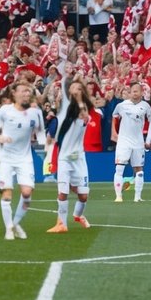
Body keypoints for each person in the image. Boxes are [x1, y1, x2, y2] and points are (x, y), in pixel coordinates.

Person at [0, 83, 46, 241]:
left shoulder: (35, 113)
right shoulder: (5, 111)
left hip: (24, 158)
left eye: (29, 91)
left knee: (27, 194)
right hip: (4, 158)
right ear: (14, 94)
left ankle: (15, 223)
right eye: (23, 91)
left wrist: (48, 144)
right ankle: (8, 229)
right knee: (7, 194)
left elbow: (40, 134)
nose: (27, 94)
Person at [47, 78, 93, 233]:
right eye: (72, 88)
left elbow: (84, 116)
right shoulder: (66, 111)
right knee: (63, 192)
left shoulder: (84, 109)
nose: (75, 91)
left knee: (83, 196)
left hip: (79, 159)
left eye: (79, 89)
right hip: (65, 158)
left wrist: (79, 99)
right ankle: (61, 224)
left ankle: (78, 216)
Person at [110, 82, 151, 203]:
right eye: (132, 91)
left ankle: (138, 197)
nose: (134, 93)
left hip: (138, 142)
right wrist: (114, 133)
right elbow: (114, 116)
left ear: (141, 92)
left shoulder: (145, 106)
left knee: (139, 169)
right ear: (129, 92)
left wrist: (149, 138)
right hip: (123, 141)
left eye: (137, 91)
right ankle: (118, 196)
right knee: (119, 168)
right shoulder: (122, 105)